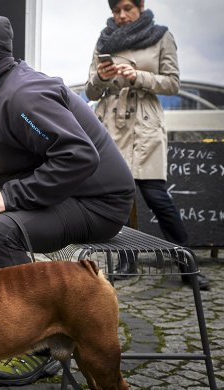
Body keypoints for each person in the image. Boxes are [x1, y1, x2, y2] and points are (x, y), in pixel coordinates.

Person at [0, 12, 135, 387]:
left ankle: (37, 343)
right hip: (63, 196)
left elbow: (78, 156)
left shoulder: (23, 94)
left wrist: (12, 196)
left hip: (97, 203)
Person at [85, 0, 209, 290]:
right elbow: (91, 89)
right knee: (119, 196)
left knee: (156, 195)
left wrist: (137, 76)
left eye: (127, 8)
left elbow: (173, 83)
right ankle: (126, 260)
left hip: (144, 122)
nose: (121, 15)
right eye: (116, 10)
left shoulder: (161, 35)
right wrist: (102, 78)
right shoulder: (104, 39)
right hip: (112, 124)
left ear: (140, 6)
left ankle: (187, 264)